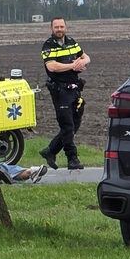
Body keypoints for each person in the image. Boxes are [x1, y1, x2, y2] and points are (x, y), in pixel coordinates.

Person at [39, 16, 90, 171]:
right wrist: (72, 65)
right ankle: (72, 159)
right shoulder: (48, 45)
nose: (59, 29)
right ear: (52, 29)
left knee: (75, 124)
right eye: (56, 27)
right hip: (60, 91)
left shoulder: (72, 42)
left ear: (65, 27)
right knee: (67, 125)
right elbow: (52, 67)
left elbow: (86, 57)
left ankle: (51, 150)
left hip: (74, 89)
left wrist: (82, 63)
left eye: (62, 26)